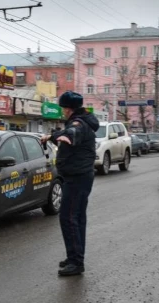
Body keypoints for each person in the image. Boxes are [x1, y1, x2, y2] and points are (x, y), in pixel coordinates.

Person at [41, 91, 100, 276]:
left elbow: (72, 133)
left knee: (69, 218)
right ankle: (75, 256)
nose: (63, 112)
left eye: (63, 108)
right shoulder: (85, 120)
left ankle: (76, 262)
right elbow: (66, 132)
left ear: (68, 109)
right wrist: (52, 136)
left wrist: (64, 137)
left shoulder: (78, 124)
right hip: (81, 177)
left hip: (76, 178)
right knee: (78, 218)